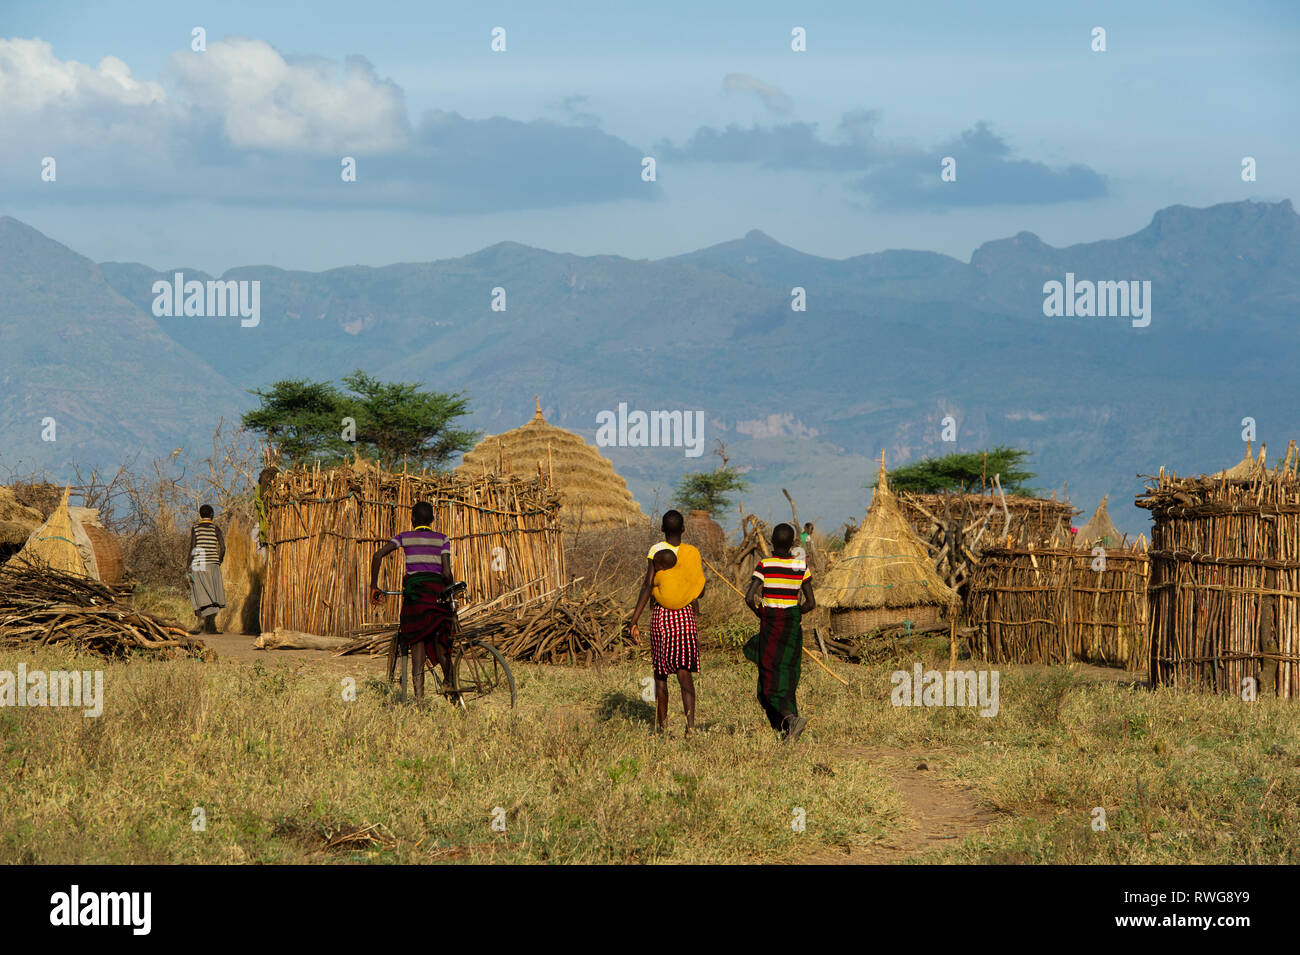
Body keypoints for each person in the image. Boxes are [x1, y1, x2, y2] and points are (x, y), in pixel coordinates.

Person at [628, 510, 705, 736]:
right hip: (685, 618)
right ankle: (690, 728)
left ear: (662, 529)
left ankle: (662, 728)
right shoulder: (692, 553)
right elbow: (700, 589)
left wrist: (633, 620)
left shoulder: (656, 551)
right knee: (684, 674)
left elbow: (647, 585)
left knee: (660, 674)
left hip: (661, 617)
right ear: (683, 529)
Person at [369, 501, 454, 704]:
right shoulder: (442, 539)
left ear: (412, 519)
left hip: (416, 598)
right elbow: (447, 572)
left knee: (416, 643)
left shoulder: (404, 537)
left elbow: (378, 554)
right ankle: (453, 691)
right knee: (441, 642)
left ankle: (420, 702)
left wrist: (374, 585)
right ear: (432, 520)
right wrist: (448, 593)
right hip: (437, 597)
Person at [744, 522, 815, 741]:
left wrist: (760, 613)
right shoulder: (800, 567)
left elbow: (749, 597)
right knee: (787, 672)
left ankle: (791, 719)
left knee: (769, 673)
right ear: (793, 543)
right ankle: (787, 730)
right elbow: (811, 603)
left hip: (771, 624)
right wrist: (795, 614)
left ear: (772, 542)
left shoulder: (765, 564)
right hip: (791, 626)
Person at [187, 504, 226, 634]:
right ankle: (211, 627)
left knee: (199, 593)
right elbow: (223, 547)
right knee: (213, 594)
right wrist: (219, 560)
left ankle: (201, 623)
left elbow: (193, 547)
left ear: (200, 515)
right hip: (213, 564)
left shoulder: (195, 528)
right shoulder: (216, 528)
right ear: (211, 514)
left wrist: (188, 565)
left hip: (199, 564)